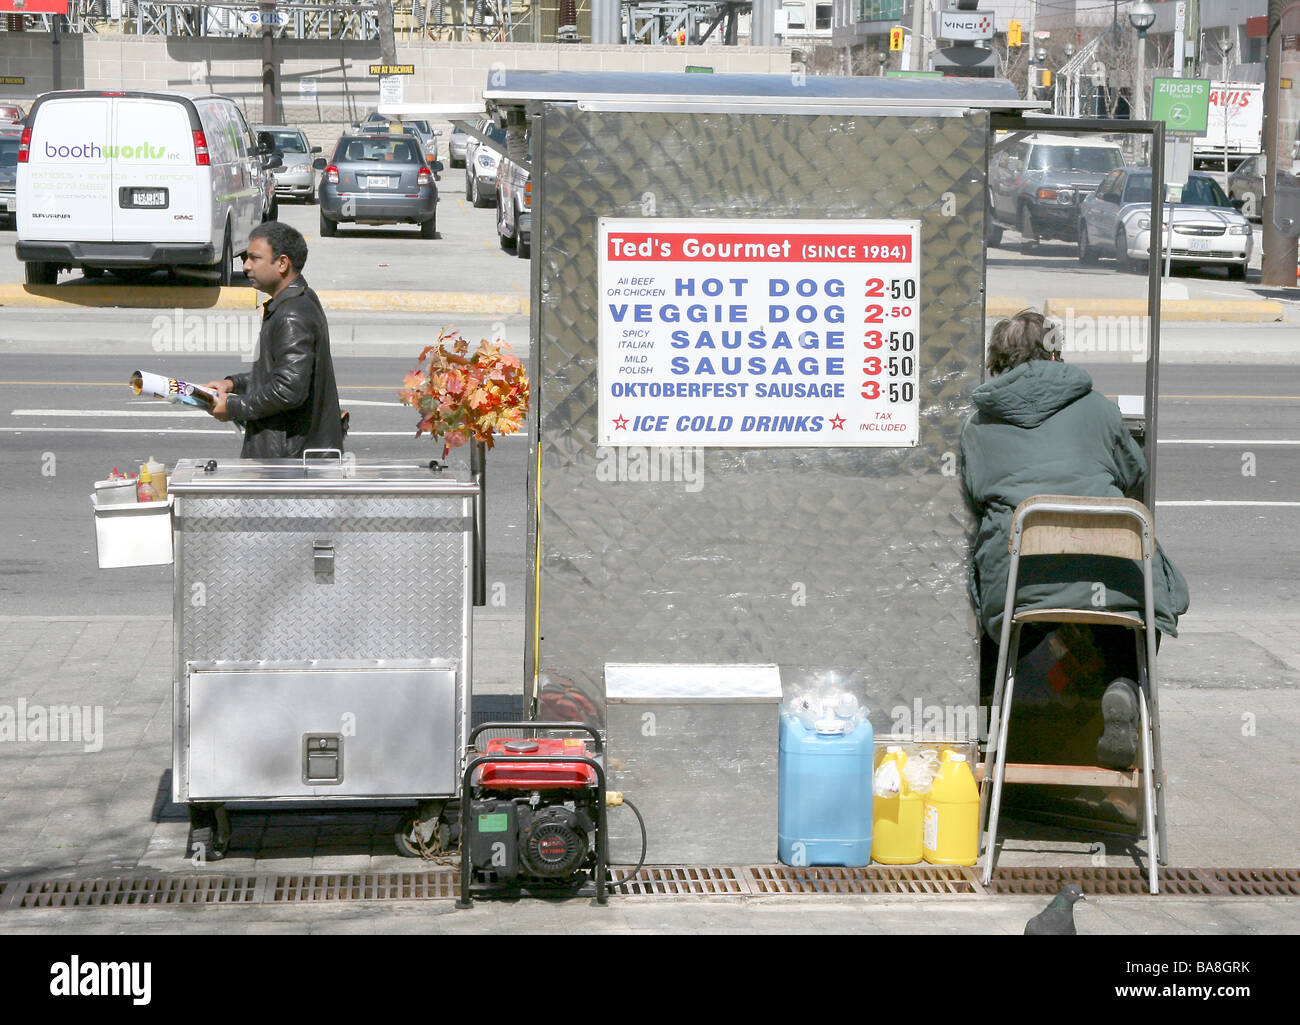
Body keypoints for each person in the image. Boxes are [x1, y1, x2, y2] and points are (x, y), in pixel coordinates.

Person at [960, 310, 1189, 769]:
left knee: (1002, 622)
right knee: (1127, 615)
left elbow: (975, 492)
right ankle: (1123, 685)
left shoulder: (978, 423)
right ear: (1055, 352)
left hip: (1021, 584)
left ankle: (998, 723)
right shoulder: (1099, 407)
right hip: (1114, 573)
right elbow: (1133, 474)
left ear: (995, 362)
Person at [205, 222, 344, 458]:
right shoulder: (299, 299)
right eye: (245, 259)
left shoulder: (292, 313)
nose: (247, 266)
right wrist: (233, 384)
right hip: (291, 457)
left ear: (282, 263)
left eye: (254, 258)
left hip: (288, 462)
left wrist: (233, 406)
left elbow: (288, 390)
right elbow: (282, 374)